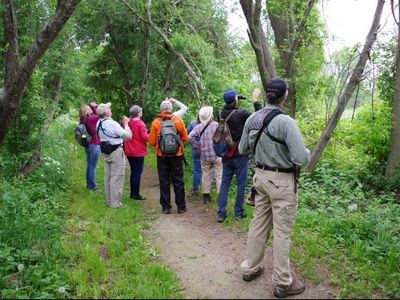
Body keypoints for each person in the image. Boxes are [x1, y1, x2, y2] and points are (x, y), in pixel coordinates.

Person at [238, 78, 310, 298]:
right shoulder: (286, 122)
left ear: (267, 95)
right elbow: (300, 158)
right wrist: (306, 153)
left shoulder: (252, 118)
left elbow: (242, 148)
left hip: (260, 178)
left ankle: (250, 268)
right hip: (281, 182)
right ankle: (282, 282)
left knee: (258, 223)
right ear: (284, 96)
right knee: (282, 232)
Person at [216, 88, 262, 223]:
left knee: (225, 183)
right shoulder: (241, 114)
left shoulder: (219, 113)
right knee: (241, 183)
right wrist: (255, 100)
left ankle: (221, 213)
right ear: (235, 100)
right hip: (240, 153)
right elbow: (260, 116)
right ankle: (238, 212)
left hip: (226, 153)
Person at [149, 100, 188, 214]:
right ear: (171, 109)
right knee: (178, 180)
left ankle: (166, 207)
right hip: (177, 155)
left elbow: (151, 141)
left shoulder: (156, 122)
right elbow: (185, 138)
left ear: (161, 109)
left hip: (162, 156)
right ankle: (181, 206)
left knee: (164, 180)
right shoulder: (178, 120)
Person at [96, 102, 132, 208]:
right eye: (109, 108)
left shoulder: (99, 123)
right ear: (107, 112)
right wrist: (126, 124)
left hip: (106, 152)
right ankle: (115, 204)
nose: (111, 110)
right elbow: (127, 136)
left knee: (108, 177)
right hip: (116, 151)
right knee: (117, 177)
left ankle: (109, 201)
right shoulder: (112, 124)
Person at [188, 106, 222, 204]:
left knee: (205, 175)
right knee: (219, 175)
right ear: (210, 115)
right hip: (217, 155)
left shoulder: (198, 127)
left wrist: (198, 147)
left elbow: (189, 137)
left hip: (204, 156)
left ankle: (206, 197)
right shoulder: (216, 125)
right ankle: (220, 197)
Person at [124, 105, 149, 200]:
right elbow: (145, 138)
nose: (142, 112)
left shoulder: (128, 123)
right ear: (138, 113)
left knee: (133, 172)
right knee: (137, 173)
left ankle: (133, 193)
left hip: (129, 150)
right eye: (141, 111)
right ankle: (135, 194)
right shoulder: (140, 124)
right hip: (138, 151)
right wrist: (152, 135)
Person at [79, 103, 101, 192]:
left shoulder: (82, 119)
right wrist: (95, 106)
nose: (92, 109)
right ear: (87, 110)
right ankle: (92, 186)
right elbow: (100, 114)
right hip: (94, 144)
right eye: (90, 108)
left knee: (89, 164)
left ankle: (89, 184)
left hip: (87, 144)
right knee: (93, 166)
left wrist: (92, 107)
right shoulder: (91, 119)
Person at [187, 115, 202, 195]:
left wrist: (194, 145)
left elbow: (186, 135)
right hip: (207, 150)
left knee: (197, 169)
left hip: (195, 150)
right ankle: (206, 190)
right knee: (209, 169)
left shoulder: (193, 124)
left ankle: (195, 189)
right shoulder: (211, 125)